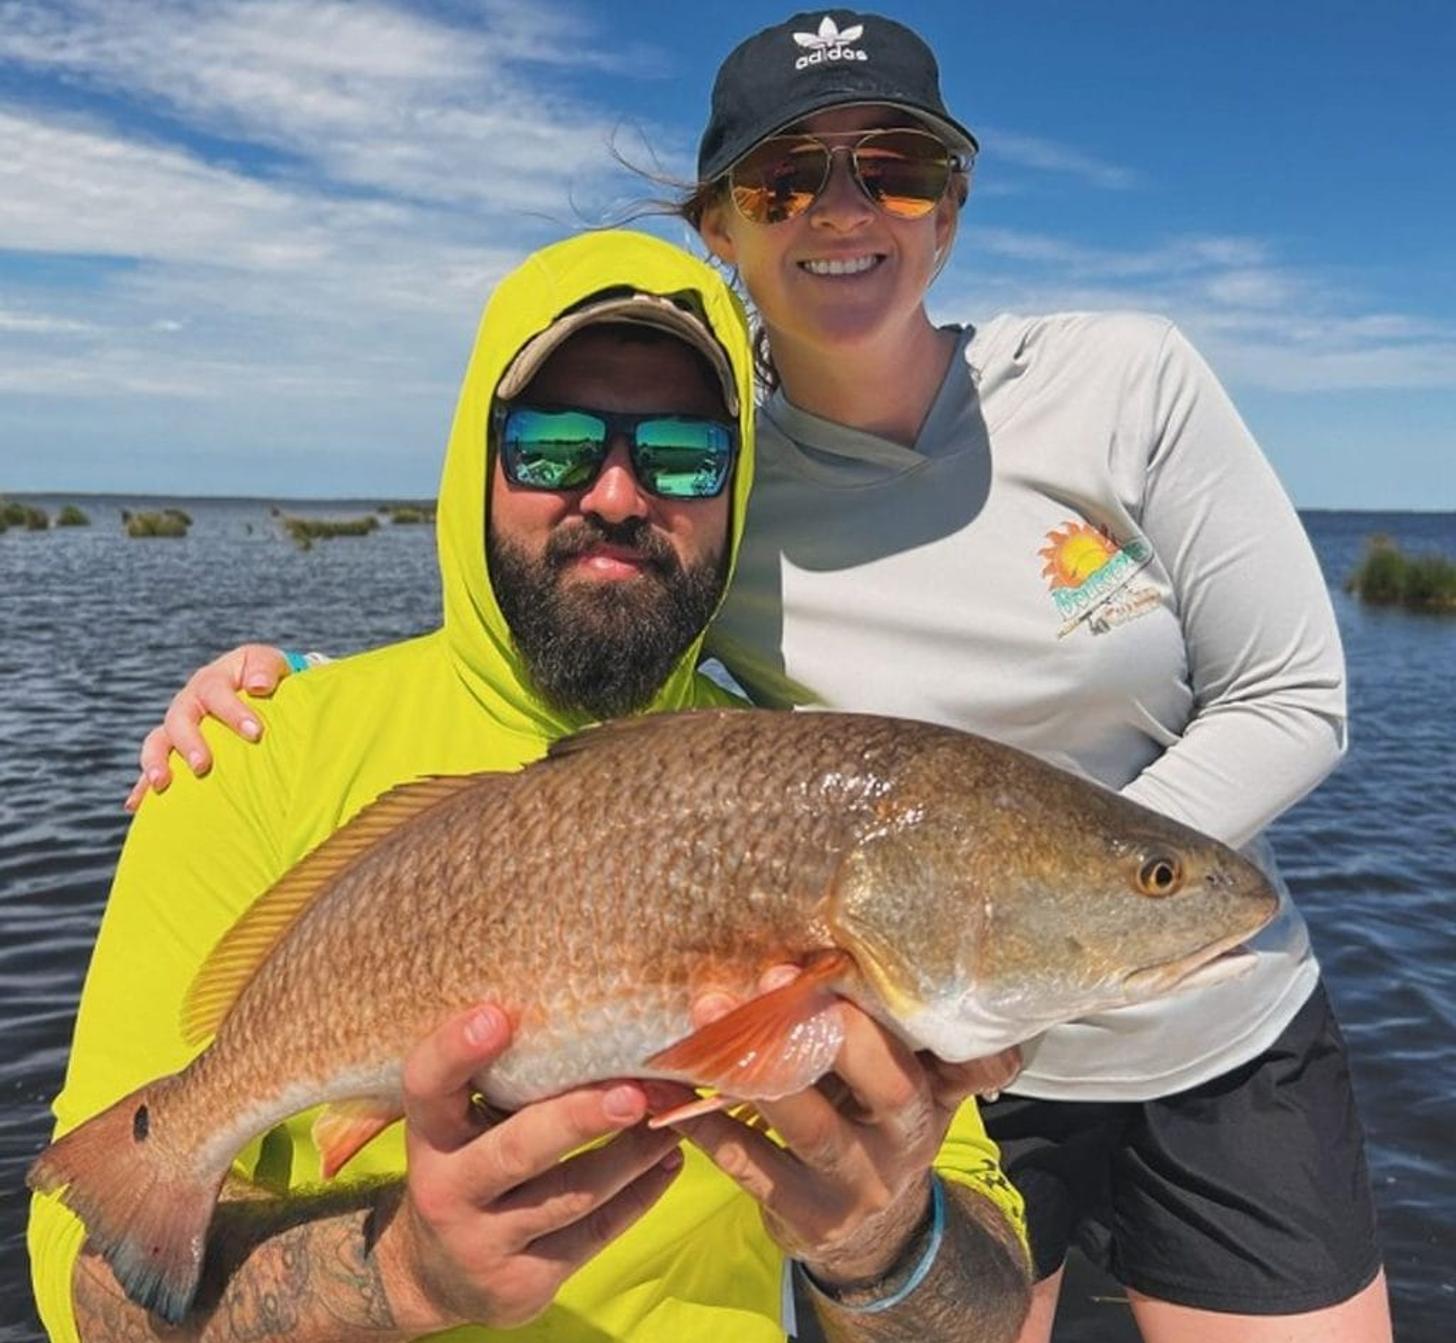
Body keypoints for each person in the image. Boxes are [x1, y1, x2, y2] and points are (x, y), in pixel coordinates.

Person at [129, 11, 1393, 1343]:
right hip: (941, 1030)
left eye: (897, 166)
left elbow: (1296, 694)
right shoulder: (724, 463)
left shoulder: (1119, 381)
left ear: (953, 205)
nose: (843, 208)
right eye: (783, 179)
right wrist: (297, 686)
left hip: (1158, 1012)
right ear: (720, 227)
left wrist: (1102, 882)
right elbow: (574, 658)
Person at [30, 229, 1031, 1342]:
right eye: (552, 445)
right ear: (475, 457)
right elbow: (84, 1290)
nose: (614, 492)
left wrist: (883, 1243)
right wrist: (404, 1275)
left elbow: (983, 1309)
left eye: (683, 452)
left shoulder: (817, 779)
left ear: (736, 484)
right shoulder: (251, 747)